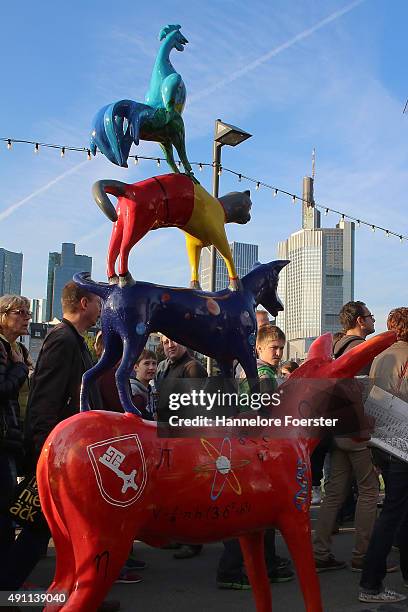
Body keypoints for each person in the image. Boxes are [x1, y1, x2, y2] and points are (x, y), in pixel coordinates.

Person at [0, 283, 120, 610]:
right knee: (42, 528)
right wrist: (46, 454)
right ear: (84, 303)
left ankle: (76, 594)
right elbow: (43, 402)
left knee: (62, 529)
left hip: (70, 453)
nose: (102, 308)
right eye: (99, 301)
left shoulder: (73, 341)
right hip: (59, 454)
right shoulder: (62, 340)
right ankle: (11, 591)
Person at [217, 325, 294, 589]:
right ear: (259, 348)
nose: (279, 352)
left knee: (258, 510)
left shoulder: (257, 371)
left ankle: (265, 563)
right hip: (252, 449)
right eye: (274, 347)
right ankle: (234, 568)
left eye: (281, 348)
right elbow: (258, 413)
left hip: (246, 446)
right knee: (249, 510)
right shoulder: (262, 375)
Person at [313, 301, 383, 573]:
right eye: (369, 315)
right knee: (369, 490)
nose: (373, 319)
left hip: (337, 430)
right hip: (355, 430)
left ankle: (320, 551)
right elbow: (361, 392)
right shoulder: (358, 351)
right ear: (359, 321)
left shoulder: (336, 348)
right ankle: (362, 555)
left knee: (334, 492)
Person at [359, 307, 408, 604]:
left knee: (399, 510)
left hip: (381, 440)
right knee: (393, 513)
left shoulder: (380, 355)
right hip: (402, 440)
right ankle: (371, 583)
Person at [156, 335, 207, 559]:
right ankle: (180, 535)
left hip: (188, 442)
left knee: (192, 495)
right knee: (177, 494)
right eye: (165, 342)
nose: (170, 345)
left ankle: (193, 540)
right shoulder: (169, 367)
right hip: (171, 440)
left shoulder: (192, 367)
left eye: (174, 340)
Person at [0, 296, 31, 587]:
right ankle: (7, 589)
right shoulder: (2, 347)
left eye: (29, 312)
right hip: (3, 441)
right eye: (20, 313)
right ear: (2, 316)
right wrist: (21, 369)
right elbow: (2, 389)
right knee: (6, 511)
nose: (27, 317)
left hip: (12, 437)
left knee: (9, 510)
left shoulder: (18, 348)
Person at [130, 349, 157, 420]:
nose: (151, 368)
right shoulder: (132, 390)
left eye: (154, 363)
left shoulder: (152, 390)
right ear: (136, 367)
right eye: (147, 363)